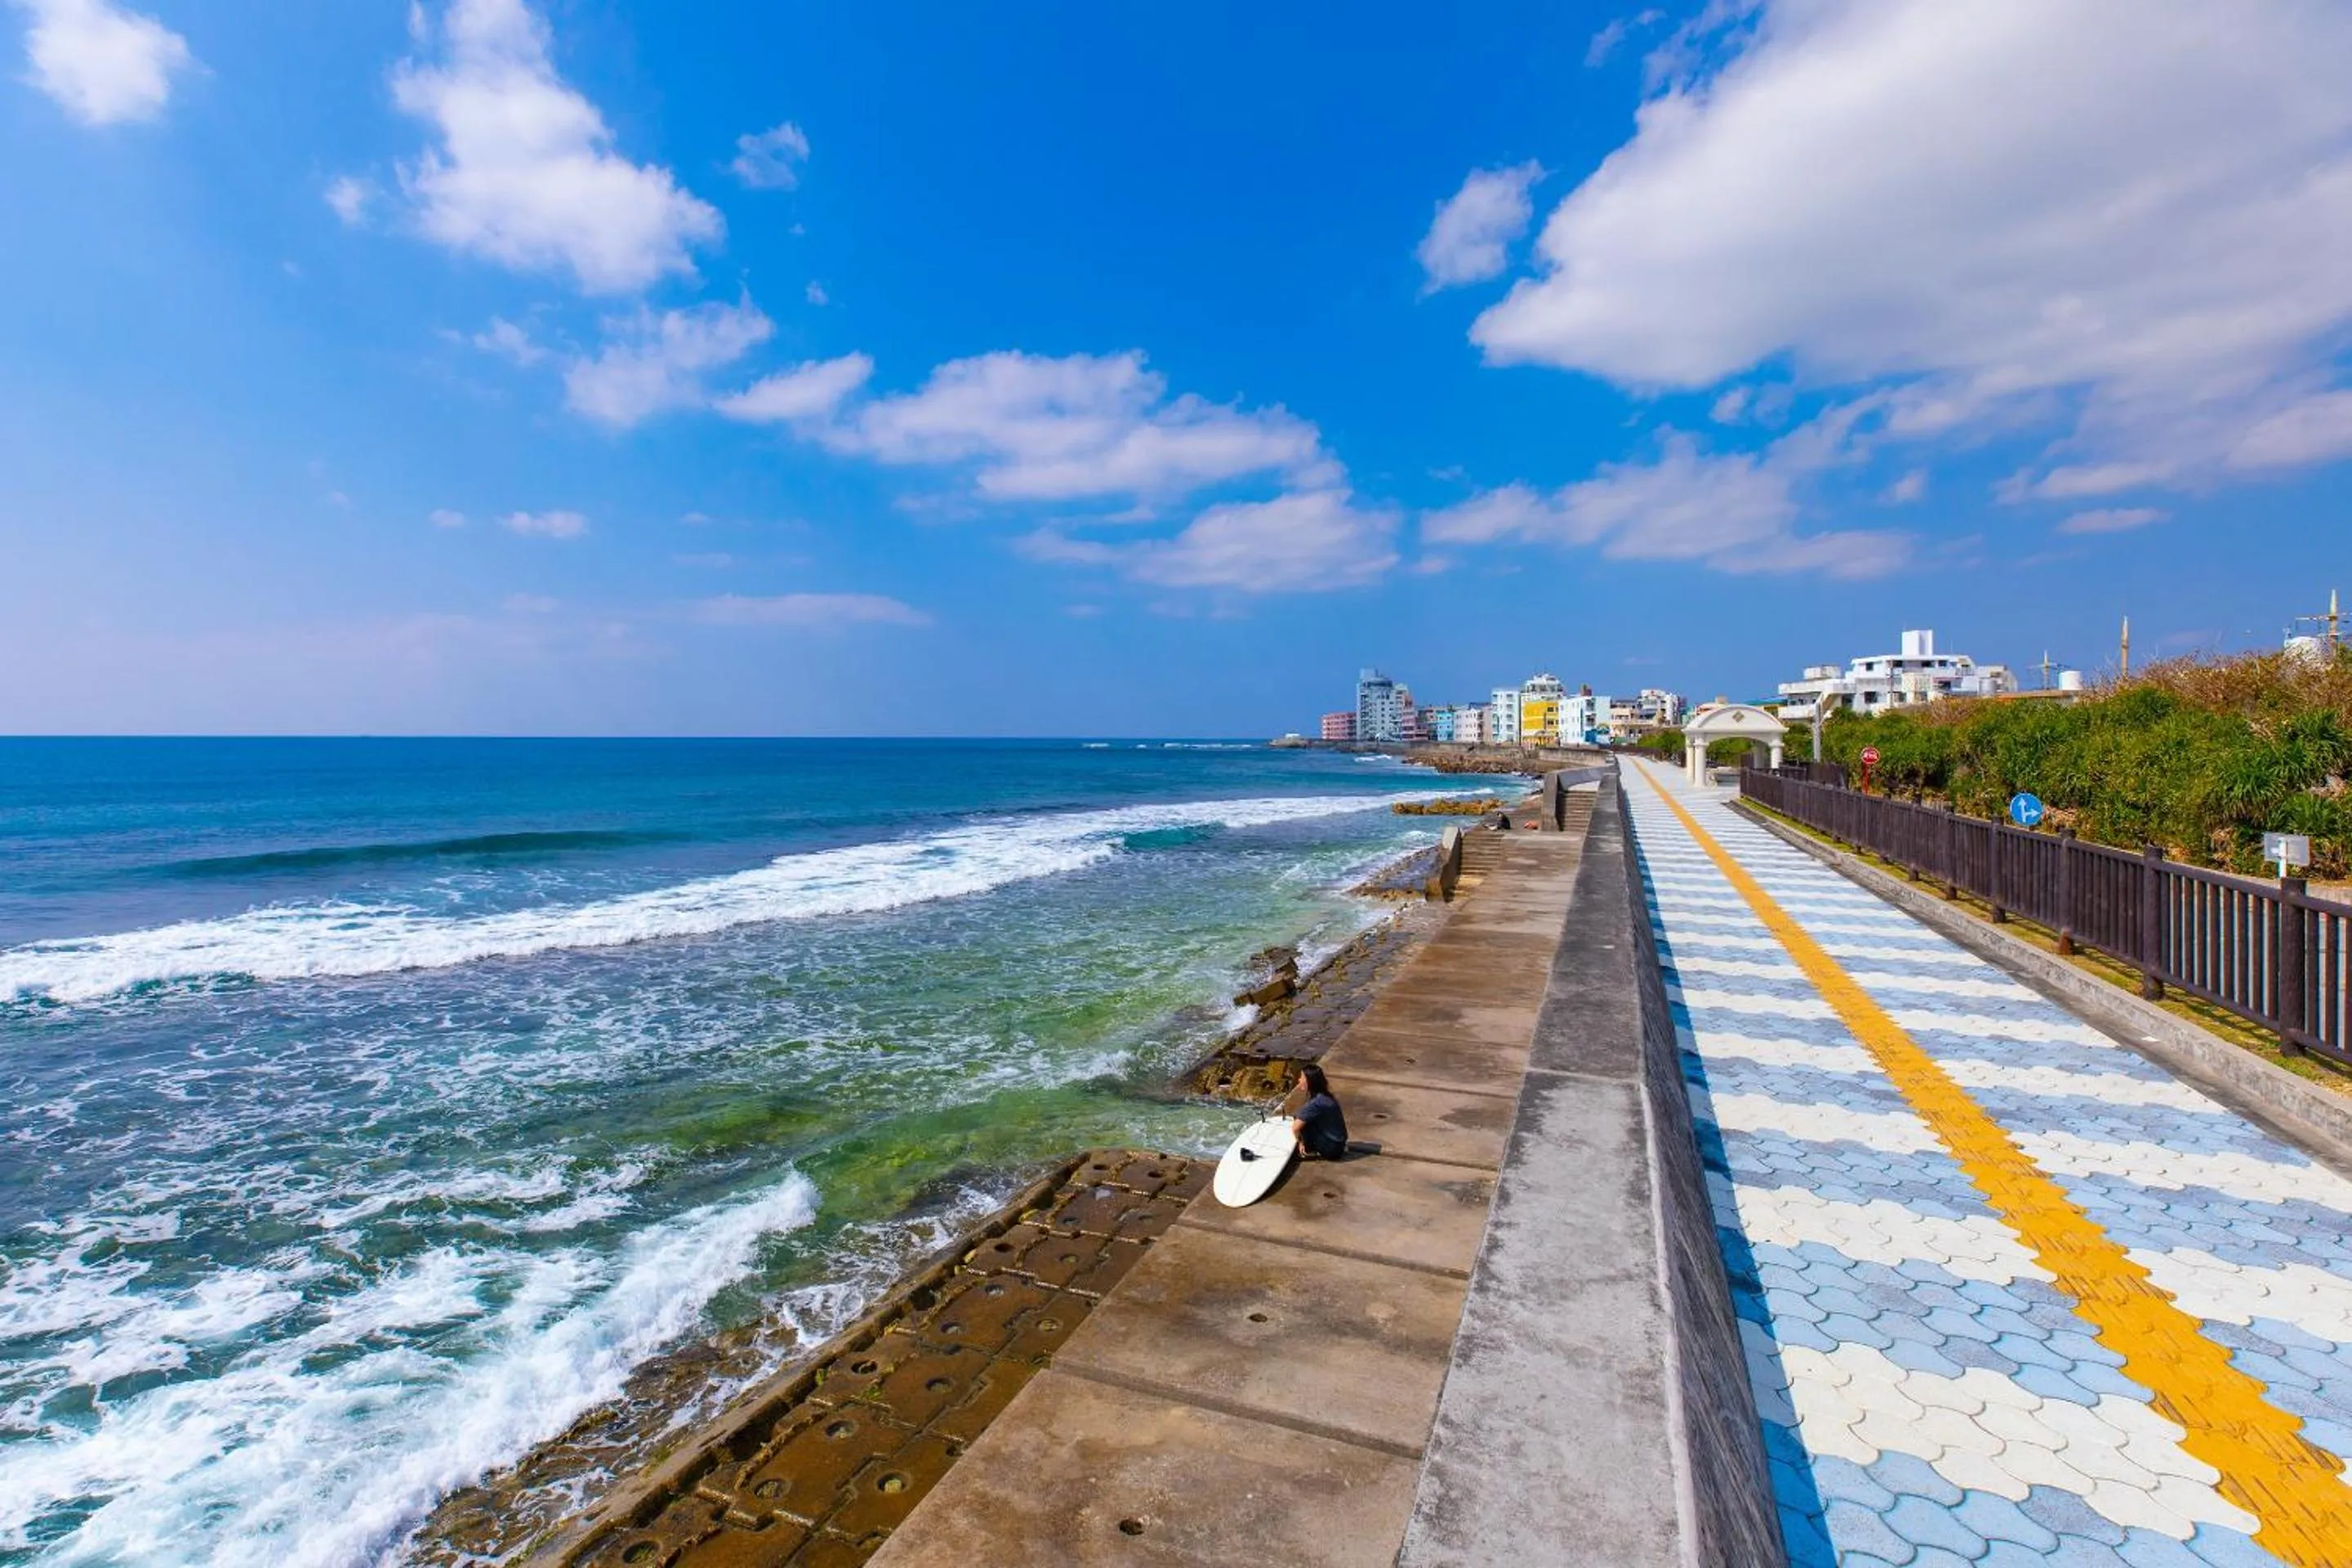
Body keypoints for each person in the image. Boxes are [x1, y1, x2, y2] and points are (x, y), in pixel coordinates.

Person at [1290, 1064, 1349, 1160]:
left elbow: (1295, 1128)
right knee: (1303, 1118)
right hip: (1339, 1144)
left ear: (1310, 1082)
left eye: (1302, 1078)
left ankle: (1307, 1150)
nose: (1299, 1080)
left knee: (1301, 1123)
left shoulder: (1316, 1103)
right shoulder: (1325, 1096)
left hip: (1331, 1149)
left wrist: (1300, 1142)